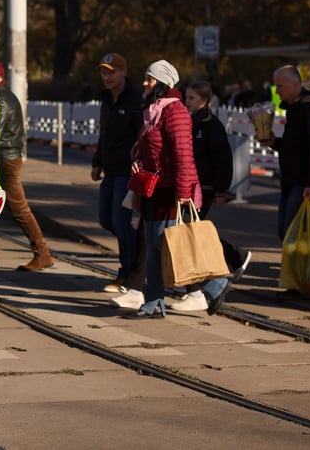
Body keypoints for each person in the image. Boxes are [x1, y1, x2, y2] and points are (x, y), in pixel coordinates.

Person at [127, 60, 230, 319]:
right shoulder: (152, 110)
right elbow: (147, 148)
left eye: (149, 79)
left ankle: (215, 284)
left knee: (168, 246)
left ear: (163, 83)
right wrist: (137, 161)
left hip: (172, 190)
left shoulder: (176, 112)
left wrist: (184, 193)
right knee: (152, 246)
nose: (145, 83)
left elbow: (184, 154)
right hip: (152, 188)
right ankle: (154, 301)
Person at [172, 81, 251, 312]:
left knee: (191, 231)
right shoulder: (190, 121)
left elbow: (222, 159)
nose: (187, 102)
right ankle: (234, 257)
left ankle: (229, 262)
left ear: (205, 101)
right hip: (193, 186)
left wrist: (220, 190)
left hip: (204, 188)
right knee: (194, 231)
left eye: (192, 98)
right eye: (186, 97)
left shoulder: (210, 124)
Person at [257, 65, 310, 299]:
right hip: (291, 182)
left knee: (293, 234)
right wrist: (275, 143)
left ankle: (302, 284)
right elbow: (295, 147)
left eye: (281, 86)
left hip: (302, 183)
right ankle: (302, 281)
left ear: (297, 85)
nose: (277, 91)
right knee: (287, 232)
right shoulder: (295, 109)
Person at [0, 61, 53, 271]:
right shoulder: (6, 96)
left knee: (18, 208)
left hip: (3, 158)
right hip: (7, 157)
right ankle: (41, 253)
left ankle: (42, 253)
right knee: (3, 207)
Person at [90, 53, 144, 294]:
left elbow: (141, 136)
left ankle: (129, 273)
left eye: (112, 72)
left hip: (126, 170)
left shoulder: (135, 99)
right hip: (110, 169)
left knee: (121, 222)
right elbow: (104, 135)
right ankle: (138, 253)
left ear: (124, 72)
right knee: (106, 219)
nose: (107, 77)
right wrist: (97, 162)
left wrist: (138, 163)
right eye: (104, 72)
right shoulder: (106, 99)